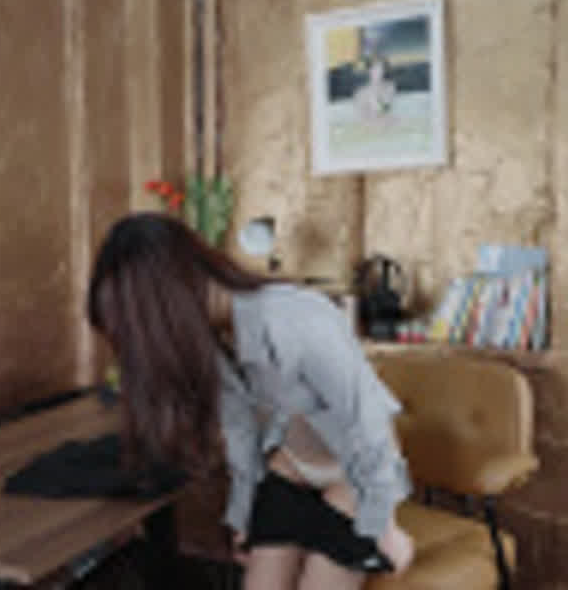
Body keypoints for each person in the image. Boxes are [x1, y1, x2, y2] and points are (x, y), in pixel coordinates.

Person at [87, 213, 414, 590]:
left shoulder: (295, 317)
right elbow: (240, 429)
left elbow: (367, 421)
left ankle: (382, 531)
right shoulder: (212, 341)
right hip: (295, 467)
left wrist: (381, 523)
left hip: (352, 472)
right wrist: (243, 519)